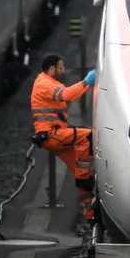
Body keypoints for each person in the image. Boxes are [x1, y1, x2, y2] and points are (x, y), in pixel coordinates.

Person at [30, 53, 97, 222]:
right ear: (52, 68)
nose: (63, 70)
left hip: (55, 135)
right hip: (53, 135)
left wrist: (87, 85)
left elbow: (71, 96)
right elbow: (66, 95)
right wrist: (86, 81)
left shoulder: (50, 83)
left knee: (81, 172)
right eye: (61, 68)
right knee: (87, 136)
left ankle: (91, 214)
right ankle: (84, 178)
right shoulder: (44, 84)